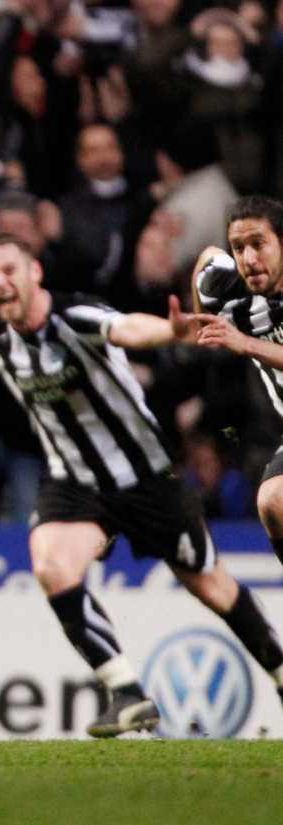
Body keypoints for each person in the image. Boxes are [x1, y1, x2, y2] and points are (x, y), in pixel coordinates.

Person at [0, 234, 283, 734]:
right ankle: (126, 692)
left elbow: (126, 328)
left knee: (212, 587)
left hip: (146, 478)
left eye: (7, 271)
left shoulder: (76, 318)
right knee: (50, 562)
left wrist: (169, 333)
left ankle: (280, 671)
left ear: (33, 272)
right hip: (75, 483)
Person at [190, 196, 283, 573]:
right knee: (273, 501)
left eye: (258, 244)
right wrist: (191, 317)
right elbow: (205, 262)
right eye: (238, 247)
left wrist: (246, 344)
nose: (247, 258)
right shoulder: (228, 288)